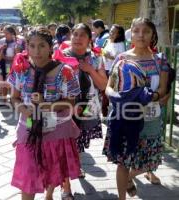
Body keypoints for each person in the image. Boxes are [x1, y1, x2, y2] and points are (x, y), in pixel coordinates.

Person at [8, 27, 81, 200]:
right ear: (26, 47)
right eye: (32, 46)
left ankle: (49, 195)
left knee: (52, 171)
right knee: (28, 174)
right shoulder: (21, 70)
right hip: (28, 128)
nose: (36, 51)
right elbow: (15, 98)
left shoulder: (65, 72)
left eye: (41, 46)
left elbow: (71, 102)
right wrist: (24, 110)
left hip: (57, 131)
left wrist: (46, 106)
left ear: (51, 48)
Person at [103, 17, 168, 200]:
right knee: (123, 163)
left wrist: (149, 97)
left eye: (146, 31)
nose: (141, 35)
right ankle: (121, 197)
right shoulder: (122, 58)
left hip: (150, 121)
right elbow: (109, 86)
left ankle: (131, 178)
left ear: (152, 35)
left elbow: (163, 89)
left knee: (149, 162)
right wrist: (113, 96)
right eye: (137, 31)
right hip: (125, 118)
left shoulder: (160, 60)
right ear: (131, 33)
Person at [63, 23, 107, 177]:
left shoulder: (95, 58)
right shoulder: (61, 56)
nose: (78, 38)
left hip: (87, 104)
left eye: (83, 35)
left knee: (79, 136)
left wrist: (89, 70)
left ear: (89, 39)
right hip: (65, 105)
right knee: (65, 138)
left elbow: (103, 84)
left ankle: (76, 164)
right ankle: (67, 175)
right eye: (75, 34)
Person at [101, 24, 126, 116]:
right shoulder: (108, 41)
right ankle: (104, 113)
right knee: (103, 92)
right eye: (110, 31)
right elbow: (103, 52)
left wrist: (109, 56)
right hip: (104, 69)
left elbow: (121, 58)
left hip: (113, 72)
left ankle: (110, 113)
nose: (110, 33)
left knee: (109, 92)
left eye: (113, 32)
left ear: (119, 34)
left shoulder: (120, 44)